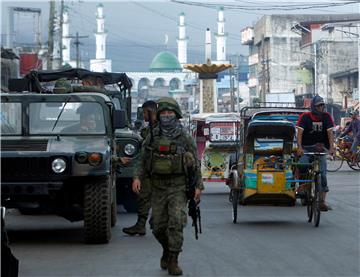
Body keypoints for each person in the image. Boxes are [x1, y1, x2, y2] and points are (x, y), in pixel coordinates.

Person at [132, 97, 203, 276]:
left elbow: (196, 162)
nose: (166, 116)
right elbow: (142, 159)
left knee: (176, 222)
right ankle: (166, 249)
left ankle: (173, 259)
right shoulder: (153, 135)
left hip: (179, 186)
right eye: (163, 113)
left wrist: (198, 186)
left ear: (176, 114)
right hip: (158, 187)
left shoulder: (185, 137)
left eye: (170, 113)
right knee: (157, 226)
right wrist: (137, 177)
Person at [122, 100, 158, 236]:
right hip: (149, 170)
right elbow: (142, 156)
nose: (143, 116)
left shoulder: (162, 129)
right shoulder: (149, 130)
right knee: (143, 197)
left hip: (164, 171)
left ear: (150, 112)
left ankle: (156, 222)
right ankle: (140, 225)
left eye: (144, 113)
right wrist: (137, 176)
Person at [296, 95, 335, 211]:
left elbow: (330, 133)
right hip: (306, 148)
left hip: (321, 149)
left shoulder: (327, 117)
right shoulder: (305, 117)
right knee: (302, 165)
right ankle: (302, 187)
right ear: (314, 106)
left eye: (322, 105)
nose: (321, 108)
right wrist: (299, 147)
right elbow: (299, 133)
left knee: (323, 175)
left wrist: (332, 148)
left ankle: (322, 201)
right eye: (319, 105)